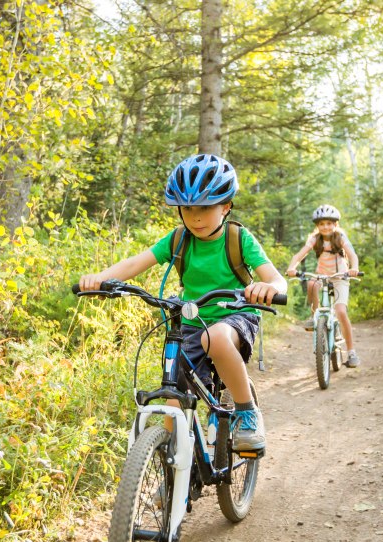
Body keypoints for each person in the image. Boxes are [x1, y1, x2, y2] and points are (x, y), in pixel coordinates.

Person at [78, 153, 287, 451]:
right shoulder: (179, 240)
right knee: (173, 400)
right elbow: (135, 263)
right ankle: (171, 475)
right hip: (191, 322)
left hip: (235, 317)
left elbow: (277, 280)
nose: (195, 217)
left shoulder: (238, 238)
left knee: (214, 337)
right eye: (187, 208)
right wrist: (99, 278)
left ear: (226, 206)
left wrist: (267, 287)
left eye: (205, 207)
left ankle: (246, 411)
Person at [285, 204, 361, 368]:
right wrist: (292, 267)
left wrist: (354, 268)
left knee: (340, 311)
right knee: (311, 283)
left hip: (340, 276)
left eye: (329, 223)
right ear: (317, 226)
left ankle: (351, 351)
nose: (325, 227)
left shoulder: (340, 237)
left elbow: (352, 254)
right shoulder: (315, 239)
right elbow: (300, 254)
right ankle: (315, 316)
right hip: (322, 275)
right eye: (321, 224)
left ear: (335, 224)